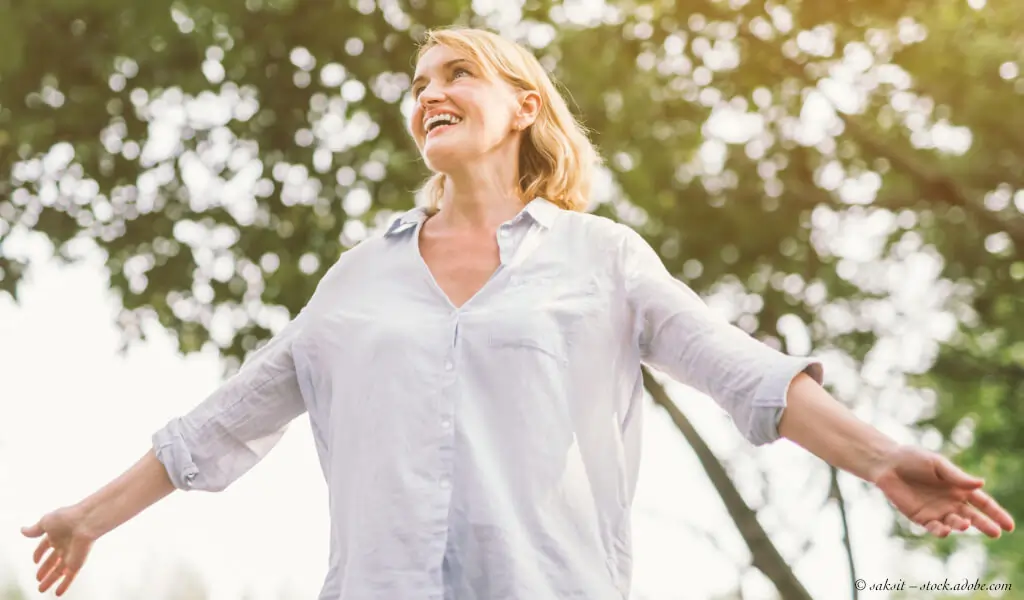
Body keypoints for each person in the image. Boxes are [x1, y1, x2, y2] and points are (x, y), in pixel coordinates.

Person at [21, 26, 1014, 599]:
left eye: (457, 74)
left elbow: (738, 371)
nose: (429, 94)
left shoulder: (600, 259)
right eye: (417, 85)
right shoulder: (356, 282)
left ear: (524, 105)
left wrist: (880, 457)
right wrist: (87, 519)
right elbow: (219, 425)